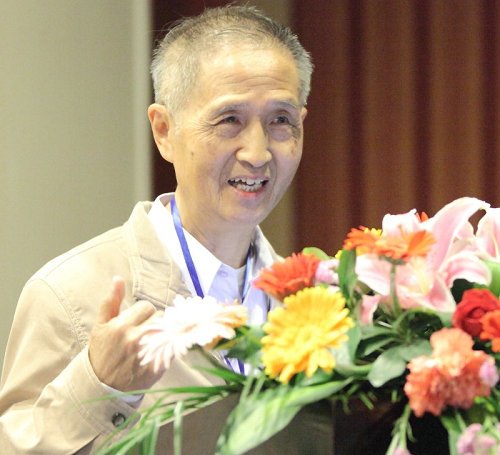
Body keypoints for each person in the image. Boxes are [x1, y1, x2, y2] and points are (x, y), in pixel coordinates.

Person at [0, 6, 333, 454]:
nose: (257, 153)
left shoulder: (325, 302)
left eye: (280, 121)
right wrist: (100, 385)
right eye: (229, 119)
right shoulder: (71, 295)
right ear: (164, 131)